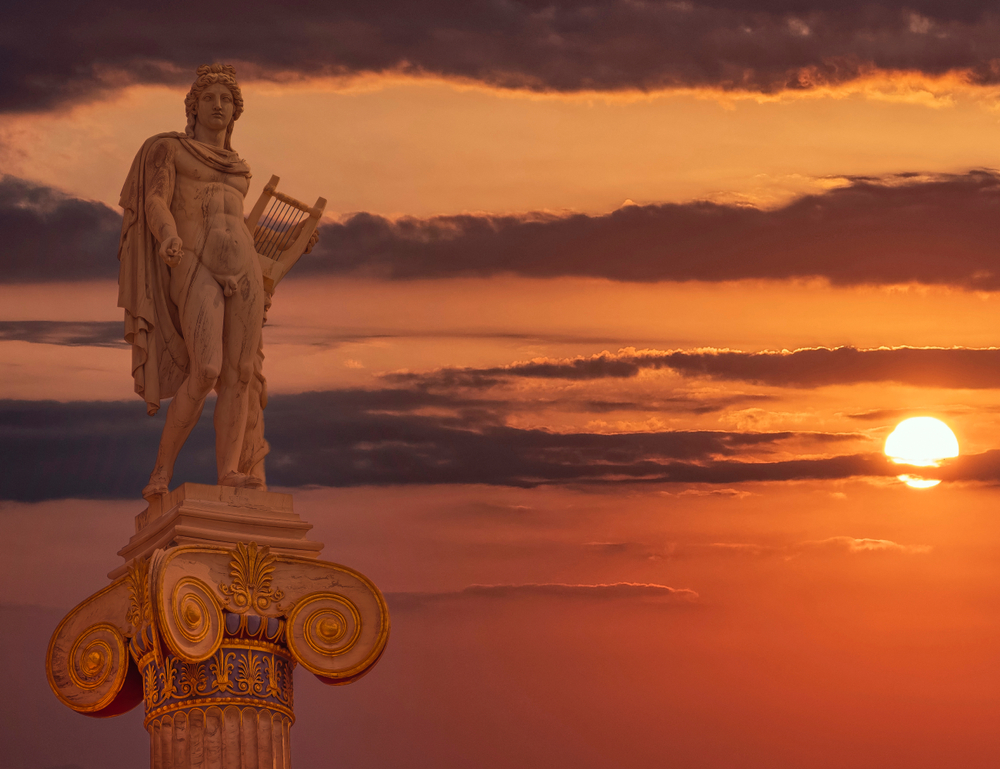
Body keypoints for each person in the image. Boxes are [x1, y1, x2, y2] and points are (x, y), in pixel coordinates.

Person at [117, 64, 311, 499]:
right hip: (194, 263)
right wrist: (167, 235)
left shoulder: (240, 169)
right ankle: (161, 471)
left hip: (243, 268)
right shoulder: (172, 150)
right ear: (194, 106)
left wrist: (293, 241)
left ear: (236, 112)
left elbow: (237, 223)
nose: (219, 105)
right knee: (206, 369)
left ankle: (228, 473)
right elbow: (155, 200)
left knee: (240, 374)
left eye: (227, 99)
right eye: (210, 98)